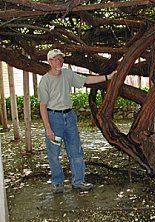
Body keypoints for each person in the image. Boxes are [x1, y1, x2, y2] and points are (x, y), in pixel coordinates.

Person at [39, 49, 116, 193]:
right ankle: (57, 182)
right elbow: (42, 105)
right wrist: (48, 128)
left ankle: (78, 181)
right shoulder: (45, 80)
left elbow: (86, 80)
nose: (59, 61)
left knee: (76, 151)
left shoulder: (67, 74)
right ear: (49, 62)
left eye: (61, 58)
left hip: (69, 117)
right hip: (54, 118)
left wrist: (107, 77)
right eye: (55, 59)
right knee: (54, 153)